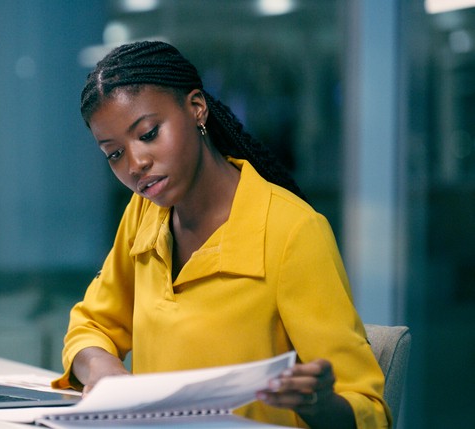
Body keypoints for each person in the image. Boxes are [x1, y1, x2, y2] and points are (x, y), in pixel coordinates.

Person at [51, 41, 390, 429]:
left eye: (148, 134)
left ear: (196, 108)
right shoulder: (145, 214)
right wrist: (102, 367)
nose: (135, 164)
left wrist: (318, 405)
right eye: (114, 153)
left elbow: (369, 411)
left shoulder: (292, 231)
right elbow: (91, 325)